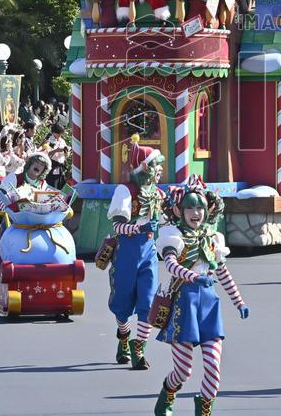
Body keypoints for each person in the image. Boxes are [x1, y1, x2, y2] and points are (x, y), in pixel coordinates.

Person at [153, 177, 248, 416]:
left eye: (200, 208)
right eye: (190, 207)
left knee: (214, 366)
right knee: (183, 371)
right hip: (183, 305)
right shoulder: (173, 235)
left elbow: (222, 271)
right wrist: (193, 277)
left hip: (208, 305)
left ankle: (204, 410)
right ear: (179, 211)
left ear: (207, 210)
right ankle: (167, 393)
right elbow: (171, 264)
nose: (195, 213)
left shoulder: (213, 238)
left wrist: (239, 302)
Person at [106, 143, 165, 371]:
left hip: (148, 250)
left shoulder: (158, 194)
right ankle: (124, 336)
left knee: (147, 302)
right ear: (145, 167)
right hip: (127, 252)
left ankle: (138, 347)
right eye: (156, 165)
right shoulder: (126, 190)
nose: (160, 170)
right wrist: (137, 229)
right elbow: (117, 226)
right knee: (122, 301)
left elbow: (168, 222)